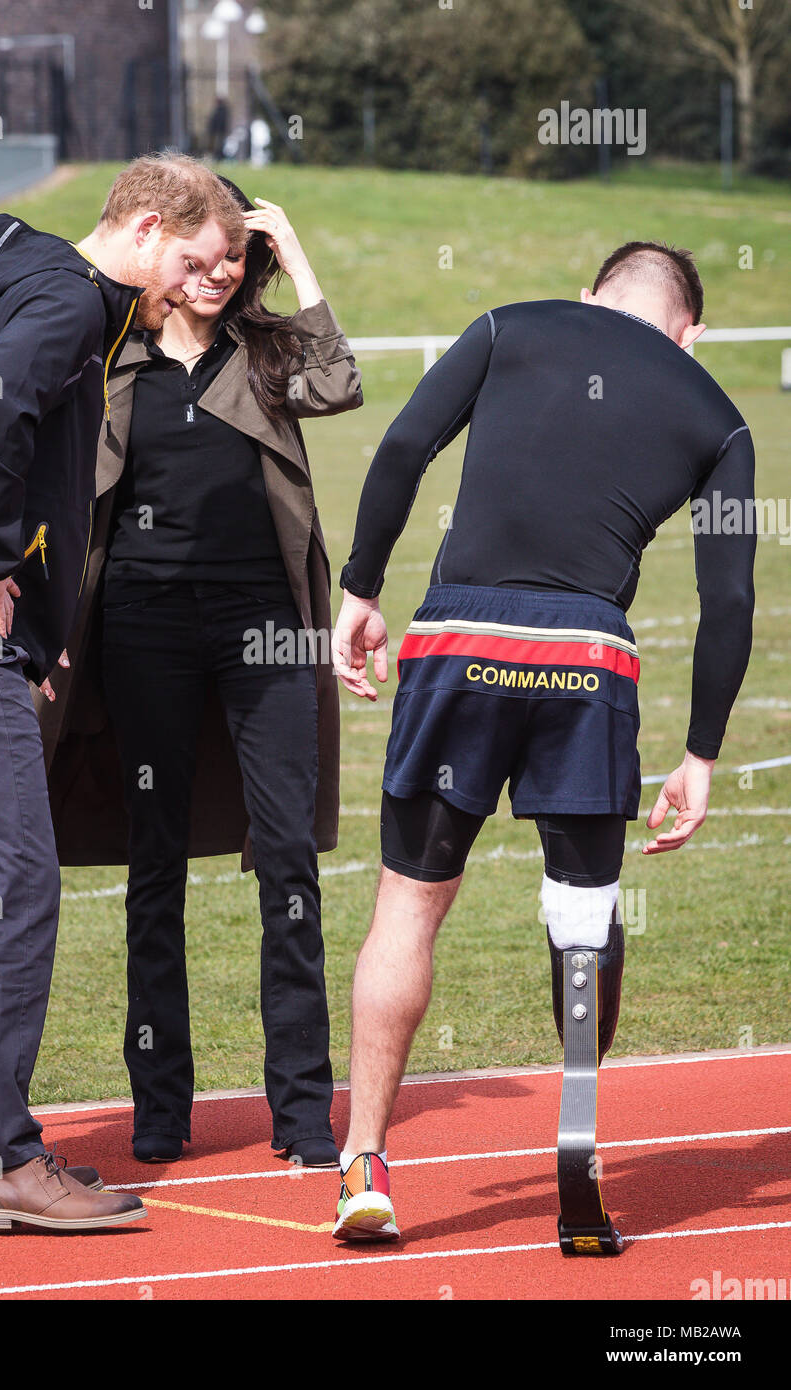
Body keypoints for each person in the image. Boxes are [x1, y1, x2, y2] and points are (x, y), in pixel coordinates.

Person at [327, 242, 756, 1240]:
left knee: (409, 907)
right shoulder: (717, 415)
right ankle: (575, 1136)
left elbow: (399, 450)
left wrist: (360, 589)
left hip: (457, 637)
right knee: (583, 916)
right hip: (588, 662)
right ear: (689, 331)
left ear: (590, 296)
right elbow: (728, 597)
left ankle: (365, 1163)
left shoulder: (509, 322)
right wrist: (700, 754)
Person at [0, 153, 247, 1233]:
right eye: (199, 261)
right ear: (154, 225)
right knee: (19, 884)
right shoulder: (71, 301)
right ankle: (1, 1157)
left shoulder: (33, 273)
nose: (194, 287)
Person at [35, 181, 361, 1167]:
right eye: (207, 258)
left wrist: (296, 253)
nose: (222, 276)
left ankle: (303, 1112)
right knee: (155, 867)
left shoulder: (264, 356)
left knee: (290, 863)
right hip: (143, 629)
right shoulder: (114, 357)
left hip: (266, 631)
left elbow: (338, 382)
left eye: (239, 261)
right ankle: (160, 1107)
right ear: (167, 253)